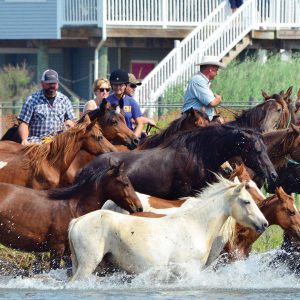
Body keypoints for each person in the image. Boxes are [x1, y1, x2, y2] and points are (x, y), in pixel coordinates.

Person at [18, 69, 76, 145]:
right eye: (49, 83)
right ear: (42, 83)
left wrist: (70, 123)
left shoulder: (65, 100)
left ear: (58, 84)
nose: (51, 86)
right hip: (37, 142)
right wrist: (24, 140)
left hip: (58, 142)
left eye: (54, 83)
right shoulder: (32, 100)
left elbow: (73, 122)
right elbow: (24, 123)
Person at [106, 69, 155, 138]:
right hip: (111, 138)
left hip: (128, 138)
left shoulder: (131, 102)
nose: (118, 87)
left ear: (125, 85)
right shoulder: (106, 102)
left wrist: (134, 139)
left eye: (121, 85)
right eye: (115, 85)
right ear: (111, 85)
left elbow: (139, 123)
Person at [182, 55, 225, 122]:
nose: (217, 73)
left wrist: (214, 118)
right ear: (210, 69)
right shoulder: (199, 80)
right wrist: (218, 99)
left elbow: (206, 106)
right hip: (193, 121)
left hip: (198, 119)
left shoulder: (201, 81)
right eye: (216, 70)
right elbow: (212, 103)